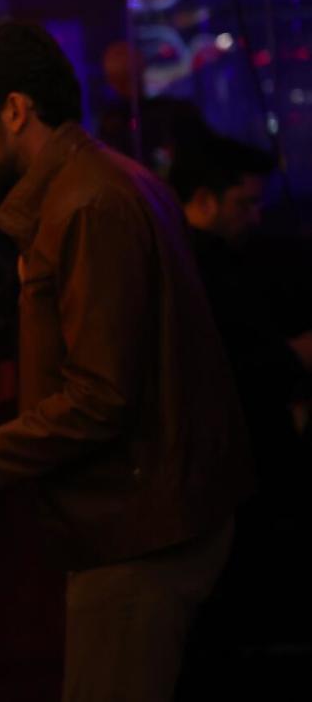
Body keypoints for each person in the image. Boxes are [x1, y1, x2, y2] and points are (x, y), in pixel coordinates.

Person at [0, 22, 252, 702]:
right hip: (158, 516)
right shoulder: (104, 182)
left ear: (15, 110)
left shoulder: (88, 204)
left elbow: (100, 399)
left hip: (137, 530)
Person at [168, 134, 312, 692]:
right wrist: (293, 356)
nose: (254, 217)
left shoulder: (220, 256)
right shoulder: (199, 266)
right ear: (203, 199)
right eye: (244, 204)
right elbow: (234, 365)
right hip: (234, 479)